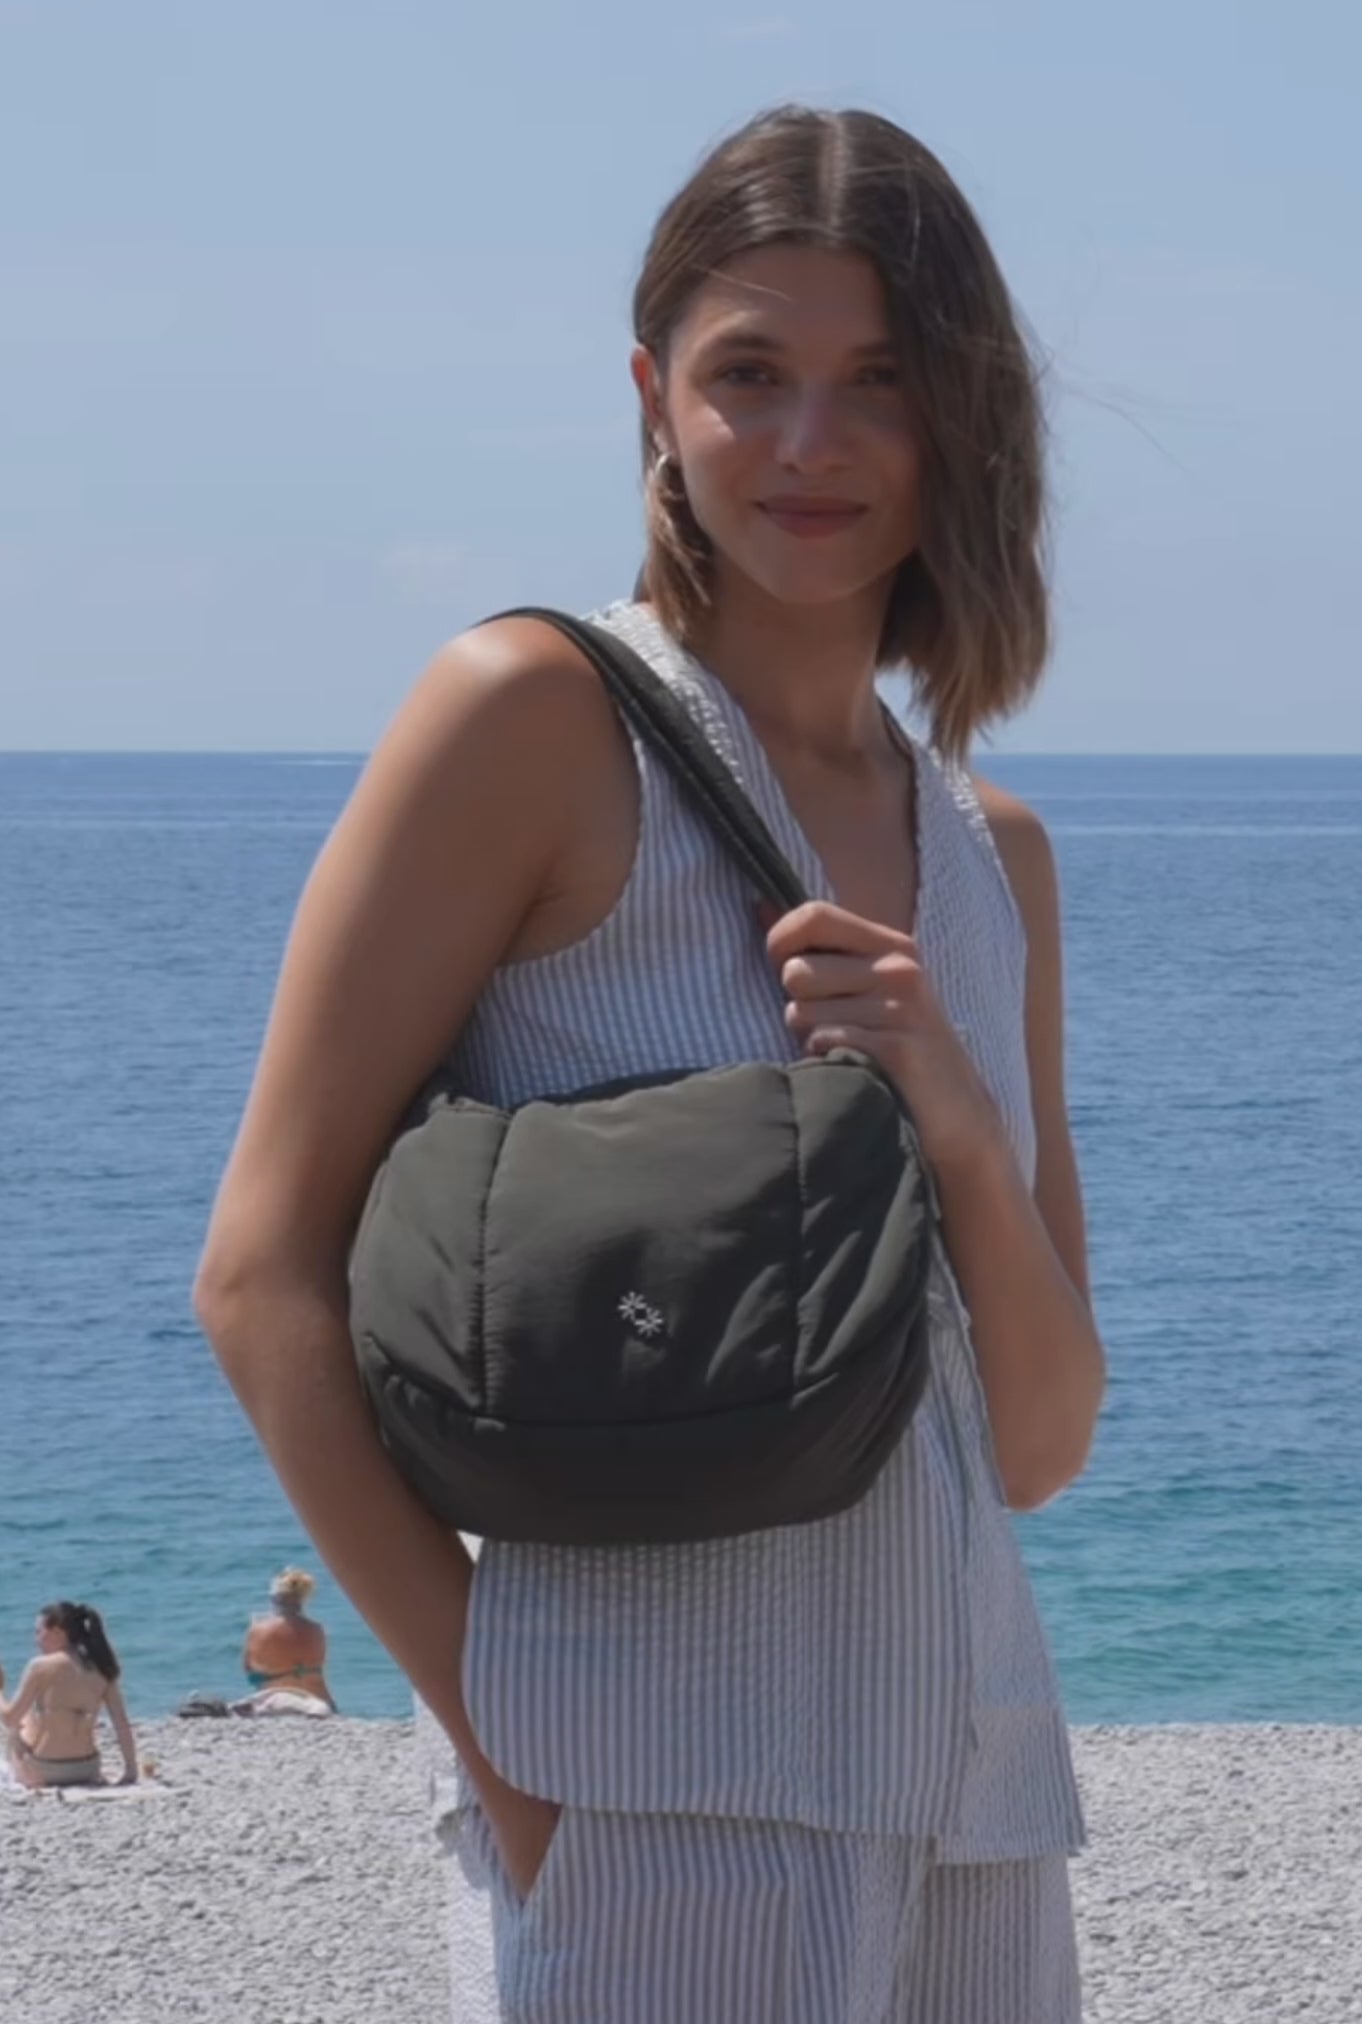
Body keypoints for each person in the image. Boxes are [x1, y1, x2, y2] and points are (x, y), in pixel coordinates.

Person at [194, 103, 1107, 2022]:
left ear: (963, 411)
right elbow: (261, 1274)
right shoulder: (532, 720)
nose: (809, 440)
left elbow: (1038, 1442)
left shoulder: (993, 853)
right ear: (652, 398)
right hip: (648, 1797)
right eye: (750, 372)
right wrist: (518, 1757)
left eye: (879, 378)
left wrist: (951, 1112)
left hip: (981, 1796)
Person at [0, 1600, 139, 1790]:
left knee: (18, 1725)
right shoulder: (102, 1665)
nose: (36, 1640)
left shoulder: (40, 1666)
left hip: (46, 1770)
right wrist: (131, 1769)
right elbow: (120, 1721)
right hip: (87, 1768)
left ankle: (29, 1778)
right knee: (29, 1717)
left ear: (58, 1632)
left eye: (39, 1632)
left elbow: (9, 1719)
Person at [240, 1565, 336, 1709]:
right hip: (319, 1701)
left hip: (275, 1703)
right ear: (303, 1599)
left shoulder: (259, 1630)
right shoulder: (317, 1630)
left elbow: (249, 1670)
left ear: (276, 1598)